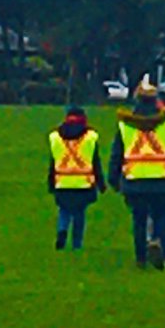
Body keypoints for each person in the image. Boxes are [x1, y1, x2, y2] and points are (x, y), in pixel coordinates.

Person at [108, 74, 165, 269]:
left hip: (135, 180)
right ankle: (163, 250)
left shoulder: (126, 125)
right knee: (164, 219)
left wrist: (114, 178)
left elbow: (117, 154)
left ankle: (141, 256)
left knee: (139, 220)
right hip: (164, 180)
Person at [47, 105, 106, 251]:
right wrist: (101, 183)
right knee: (79, 213)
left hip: (62, 181)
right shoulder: (90, 137)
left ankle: (62, 230)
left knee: (64, 210)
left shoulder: (56, 137)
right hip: (83, 182)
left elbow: (53, 163)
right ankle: (76, 244)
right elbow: (95, 162)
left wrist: (51, 183)